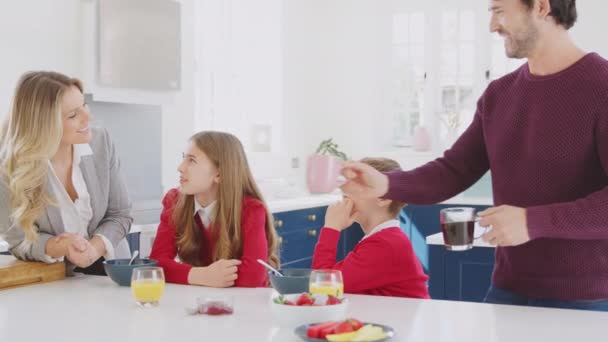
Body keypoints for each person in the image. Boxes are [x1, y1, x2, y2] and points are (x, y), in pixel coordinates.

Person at [341, 0, 608, 311]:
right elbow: (453, 170)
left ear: (541, 7)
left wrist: (533, 222)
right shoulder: (500, 94)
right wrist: (385, 184)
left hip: (589, 300)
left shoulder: (601, 87)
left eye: (499, 11)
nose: (492, 26)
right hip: (508, 290)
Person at [0, 71, 132, 275]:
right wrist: (58, 246)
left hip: (111, 272)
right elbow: (19, 241)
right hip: (54, 280)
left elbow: (120, 214)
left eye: (84, 105)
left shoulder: (100, 142)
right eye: (73, 115)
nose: (88, 116)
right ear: (43, 125)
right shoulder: (10, 168)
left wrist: (93, 249)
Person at [150, 131, 279, 287]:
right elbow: (156, 265)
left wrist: (184, 274)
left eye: (191, 160)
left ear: (219, 173)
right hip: (202, 298)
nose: (180, 167)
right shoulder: (174, 201)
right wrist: (202, 275)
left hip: (246, 304)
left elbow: (253, 277)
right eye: (184, 158)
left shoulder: (251, 210)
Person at [313, 158, 429, 298]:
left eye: (356, 185)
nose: (345, 192)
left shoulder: (386, 245)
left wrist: (331, 228)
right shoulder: (384, 239)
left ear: (383, 198)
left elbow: (323, 289)